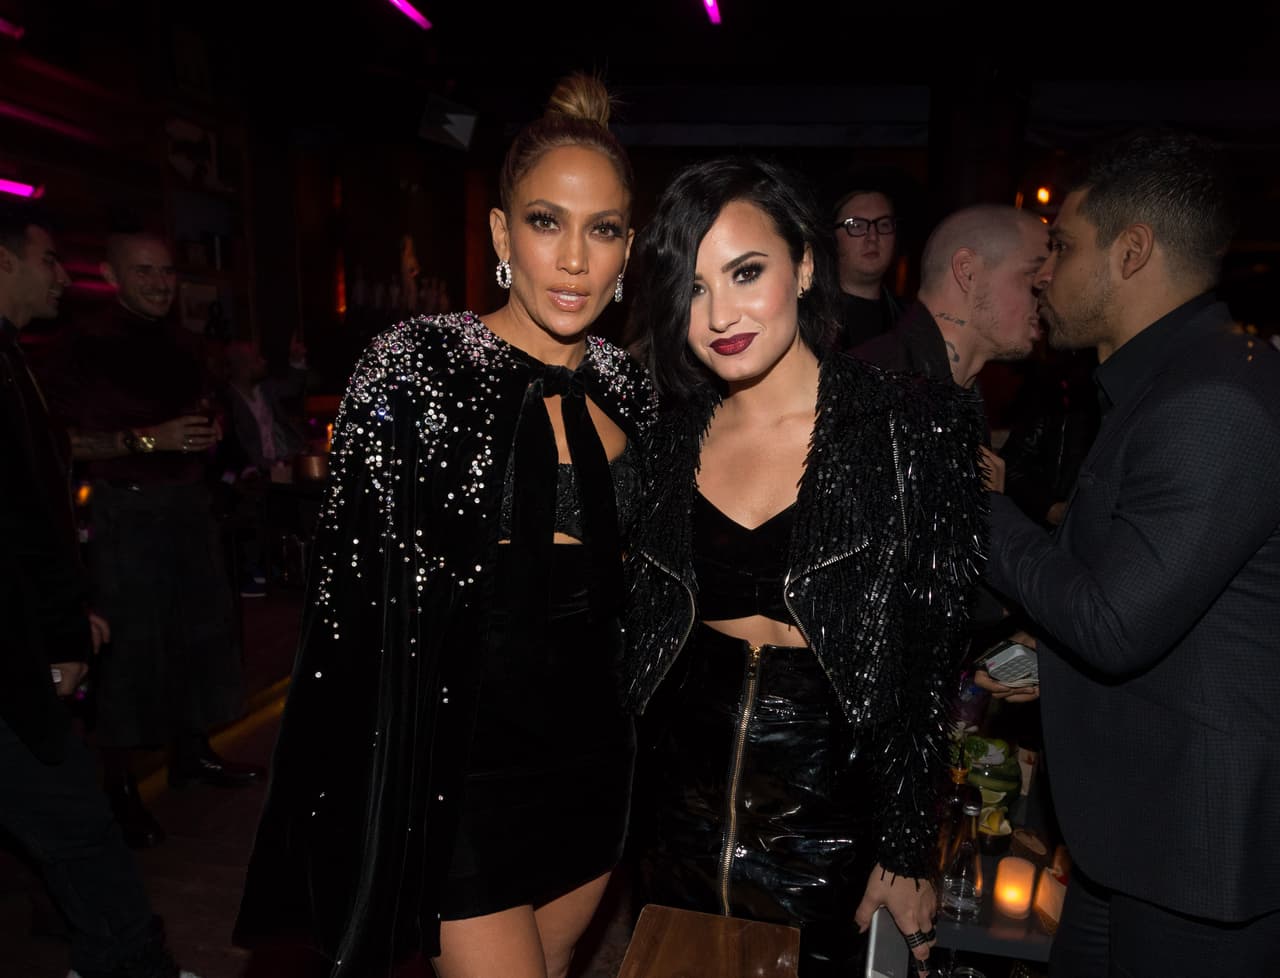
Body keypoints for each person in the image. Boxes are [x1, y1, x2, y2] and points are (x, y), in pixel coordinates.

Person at [234, 74, 655, 978]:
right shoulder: (415, 365)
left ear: (630, 249)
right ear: (504, 234)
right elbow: (349, 604)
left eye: (604, 229)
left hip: (595, 760)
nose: (575, 260)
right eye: (547, 223)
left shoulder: (635, 388)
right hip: (462, 767)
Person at [621, 157, 987, 976]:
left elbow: (928, 660)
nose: (720, 314)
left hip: (835, 820)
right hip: (676, 812)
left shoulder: (910, 429)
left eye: (746, 272)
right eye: (695, 286)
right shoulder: (666, 439)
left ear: (806, 264)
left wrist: (905, 847)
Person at [984, 128, 1280, 975]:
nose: (1045, 272)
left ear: (1134, 251)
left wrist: (982, 514)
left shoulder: (1215, 399)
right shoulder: (1176, 382)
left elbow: (1116, 622)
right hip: (1143, 840)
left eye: (1064, 248)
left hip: (1202, 859)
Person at [0, 199, 195, 978]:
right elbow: (19, 518)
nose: (60, 273)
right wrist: (56, 632)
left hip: (44, 611)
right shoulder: (54, 356)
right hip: (23, 632)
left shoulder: (15, 355)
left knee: (61, 811)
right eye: (48, 259)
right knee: (71, 810)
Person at [36, 230, 262, 851]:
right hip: (123, 515)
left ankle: (192, 753)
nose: (161, 283)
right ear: (110, 275)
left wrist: (206, 432)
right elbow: (58, 442)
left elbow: (199, 419)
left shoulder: (186, 344)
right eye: (145, 273)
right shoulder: (79, 347)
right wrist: (146, 440)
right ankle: (120, 789)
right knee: (128, 656)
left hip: (188, 510)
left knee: (198, 639)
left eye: (166, 272)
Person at [831, 176, 903, 349]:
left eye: (884, 224)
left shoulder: (913, 323)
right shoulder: (807, 323)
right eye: (856, 225)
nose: (873, 237)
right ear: (832, 238)